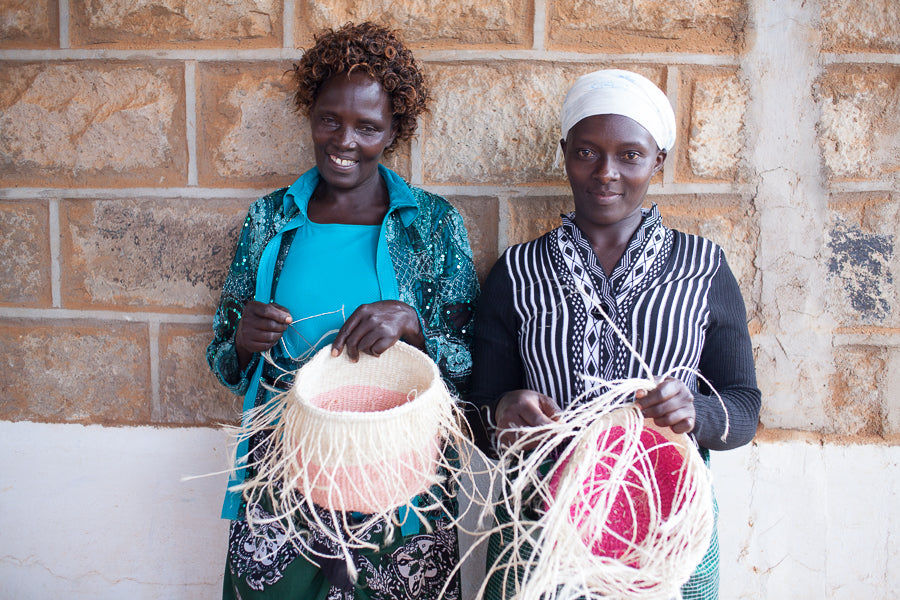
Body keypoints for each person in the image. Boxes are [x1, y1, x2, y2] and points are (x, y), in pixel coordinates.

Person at [206, 22, 479, 600]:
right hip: (285, 476)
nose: (344, 140)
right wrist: (243, 342)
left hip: (399, 480)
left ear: (394, 130)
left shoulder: (431, 225)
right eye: (330, 119)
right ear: (310, 114)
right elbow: (224, 358)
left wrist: (414, 326)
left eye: (368, 127)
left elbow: (470, 363)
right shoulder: (271, 219)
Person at [469, 69, 761, 599]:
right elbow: (479, 411)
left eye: (630, 155)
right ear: (565, 153)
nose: (606, 173)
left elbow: (744, 407)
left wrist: (697, 411)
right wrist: (503, 413)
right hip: (538, 528)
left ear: (658, 162)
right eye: (587, 152)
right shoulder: (518, 271)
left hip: (668, 529)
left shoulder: (703, 267)